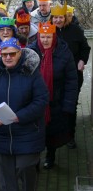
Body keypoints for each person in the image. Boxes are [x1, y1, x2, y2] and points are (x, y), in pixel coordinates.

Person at [0, 37, 49, 191]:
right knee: (6, 179)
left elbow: (41, 100)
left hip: (27, 133)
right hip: (1, 134)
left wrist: (19, 116)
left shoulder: (32, 73)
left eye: (12, 54)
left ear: (19, 53)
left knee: (26, 169)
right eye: (4, 54)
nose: (8, 57)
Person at [28, 21, 78, 169]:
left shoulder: (64, 52)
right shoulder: (31, 52)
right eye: (42, 37)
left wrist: (68, 104)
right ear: (38, 37)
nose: (45, 40)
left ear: (54, 37)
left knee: (52, 133)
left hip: (56, 101)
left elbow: (71, 80)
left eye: (48, 37)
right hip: (34, 102)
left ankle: (50, 156)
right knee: (34, 133)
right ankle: (34, 159)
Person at [50, 2, 91, 149]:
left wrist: (82, 61)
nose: (58, 21)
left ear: (65, 17)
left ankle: (70, 136)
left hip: (73, 76)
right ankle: (53, 137)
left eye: (60, 17)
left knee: (70, 105)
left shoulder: (76, 30)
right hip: (54, 76)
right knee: (55, 105)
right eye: (55, 18)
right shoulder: (48, 31)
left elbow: (85, 48)